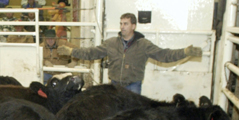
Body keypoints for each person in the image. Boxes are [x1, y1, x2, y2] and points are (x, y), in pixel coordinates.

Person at [57, 13, 203, 94]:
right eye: (121, 23)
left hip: (133, 86)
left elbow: (164, 55)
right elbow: (92, 53)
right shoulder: (111, 43)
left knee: (132, 115)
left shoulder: (143, 45)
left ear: (133, 26)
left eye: (126, 24)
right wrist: (72, 51)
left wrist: (185, 52)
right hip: (114, 85)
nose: (122, 27)